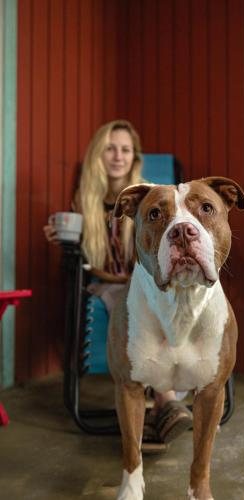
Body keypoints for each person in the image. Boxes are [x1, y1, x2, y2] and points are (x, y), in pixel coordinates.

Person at [43, 119, 192, 453]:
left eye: (125, 149)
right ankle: (166, 401)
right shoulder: (84, 200)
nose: (118, 156)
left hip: (148, 280)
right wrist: (63, 237)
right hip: (107, 284)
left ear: (134, 156)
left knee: (163, 300)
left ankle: (159, 401)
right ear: (99, 153)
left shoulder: (148, 196)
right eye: (111, 148)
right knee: (125, 299)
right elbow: (83, 252)